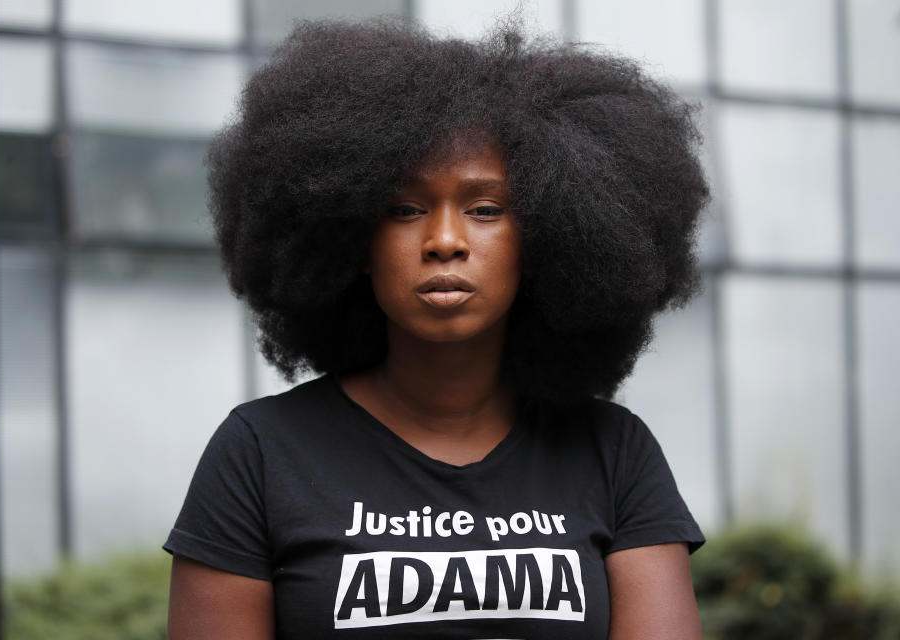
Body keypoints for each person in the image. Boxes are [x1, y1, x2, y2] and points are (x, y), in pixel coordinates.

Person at [164, 16, 709, 640]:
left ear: (549, 237)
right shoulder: (260, 453)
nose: (445, 241)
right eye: (404, 209)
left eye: (484, 210)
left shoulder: (613, 452)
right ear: (349, 237)